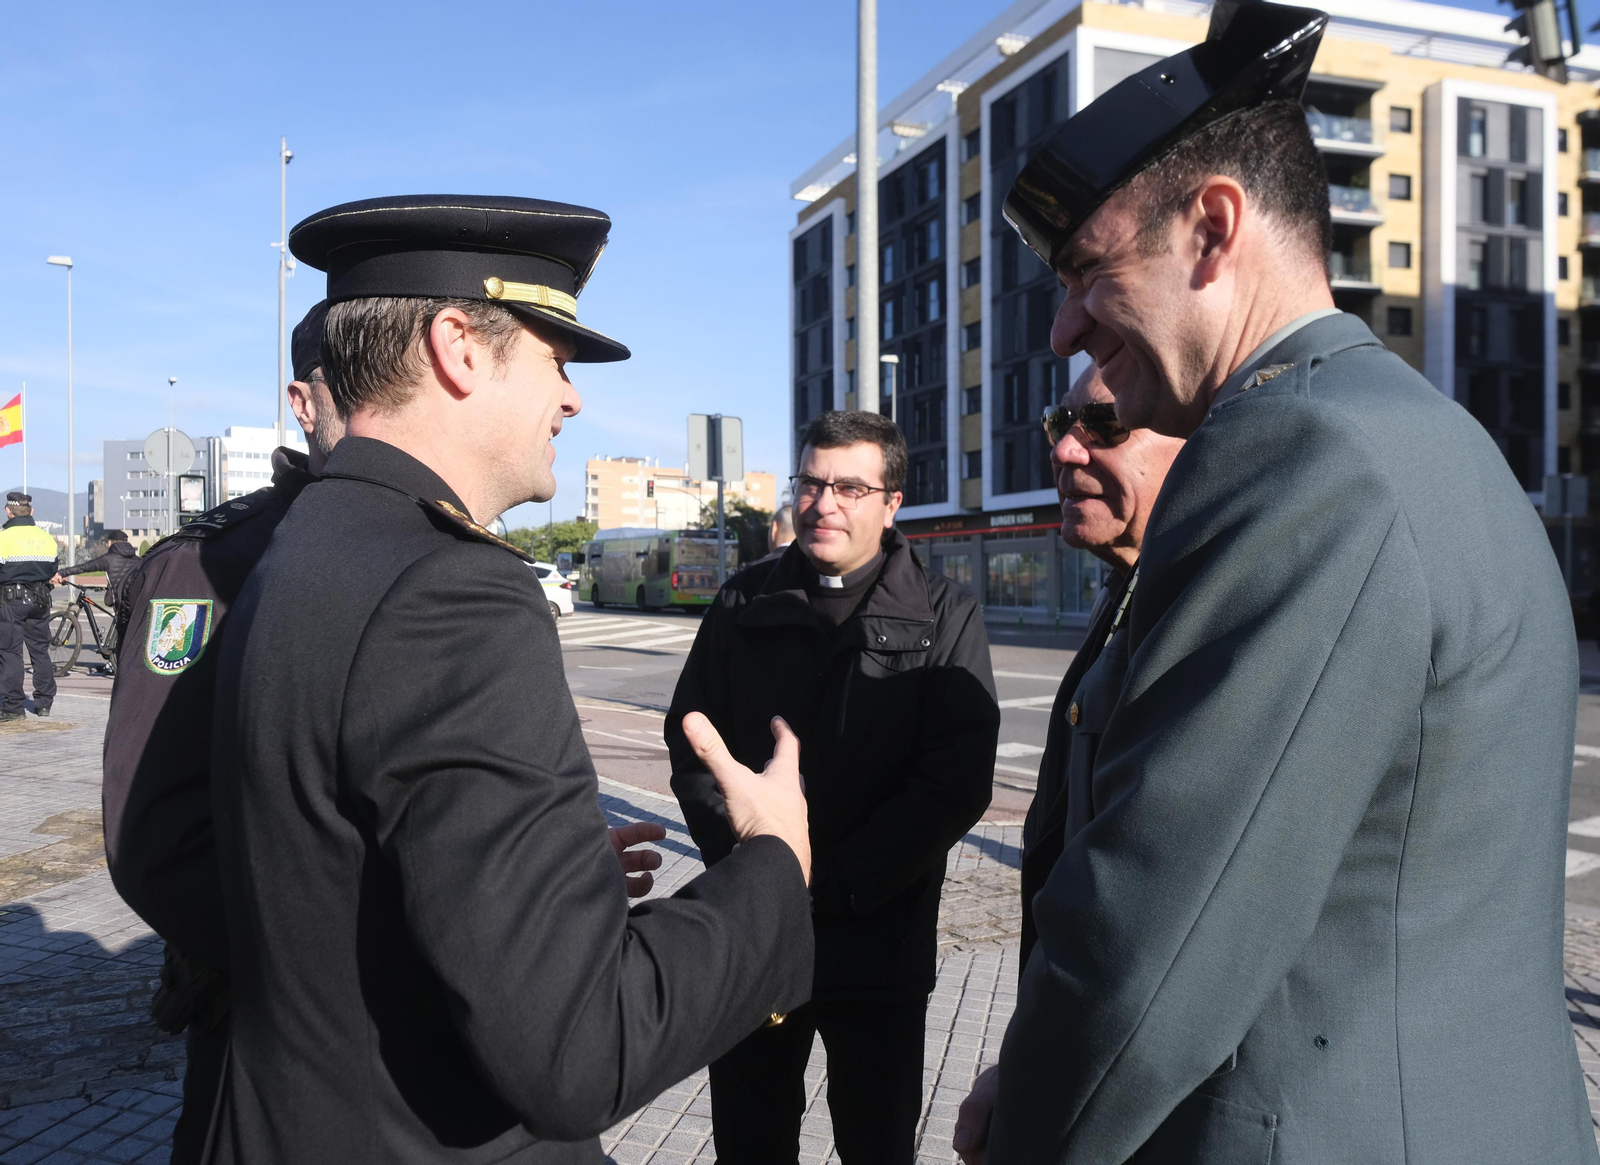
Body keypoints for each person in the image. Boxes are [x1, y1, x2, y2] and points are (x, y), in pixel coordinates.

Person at [957, 3, 1598, 1163]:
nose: (1059, 331)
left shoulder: (1291, 454)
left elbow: (1151, 946)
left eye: (1087, 272)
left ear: (1211, 227)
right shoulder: (1415, 434)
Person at [209, 194, 815, 1164]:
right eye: (555, 358)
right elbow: (581, 1049)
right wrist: (774, 865)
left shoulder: (302, 542)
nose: (572, 399)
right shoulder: (451, 591)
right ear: (458, 345)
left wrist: (551, 879)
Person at [668, 409, 1000, 1164]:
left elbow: (954, 781)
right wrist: (764, 868)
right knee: (750, 1145)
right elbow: (692, 745)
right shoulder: (742, 602)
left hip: (878, 944)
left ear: (891, 502)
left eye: (850, 486)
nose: (824, 503)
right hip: (756, 936)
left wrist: (837, 883)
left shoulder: (945, 617)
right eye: (811, 482)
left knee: (876, 1145)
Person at [97, 300, 342, 1163]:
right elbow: (156, 835)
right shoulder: (210, 564)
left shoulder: (438, 554)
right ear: (303, 404)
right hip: (261, 1018)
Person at [0, 491, 59, 722]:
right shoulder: (46, 538)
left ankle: (13, 707)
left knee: (10, 652)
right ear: (31, 511)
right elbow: (52, 569)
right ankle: (44, 703)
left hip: (11, 601)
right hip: (41, 600)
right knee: (40, 651)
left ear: (8, 511)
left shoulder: (3, 538)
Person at [52, 528, 139, 615]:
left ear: (112, 542)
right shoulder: (138, 560)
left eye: (107, 543)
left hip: (120, 604)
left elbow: (84, 567)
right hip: (136, 602)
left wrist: (61, 573)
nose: (107, 546)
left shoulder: (108, 559)